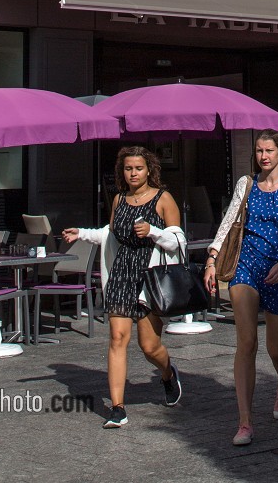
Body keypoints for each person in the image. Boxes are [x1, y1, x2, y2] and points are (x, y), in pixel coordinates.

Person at [63, 145, 187, 428]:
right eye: (128, 168)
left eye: (138, 168)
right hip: (121, 274)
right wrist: (81, 233)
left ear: (149, 170)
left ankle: (167, 373)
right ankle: (117, 408)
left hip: (150, 278)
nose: (133, 173)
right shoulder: (119, 199)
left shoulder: (163, 199)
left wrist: (153, 232)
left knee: (149, 347)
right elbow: (110, 236)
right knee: (117, 338)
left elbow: (179, 242)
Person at [203, 129, 278, 446]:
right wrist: (212, 257)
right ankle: (245, 422)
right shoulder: (246, 184)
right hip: (246, 267)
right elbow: (228, 222)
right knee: (246, 342)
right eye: (259, 151)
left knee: (276, 348)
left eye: (269, 150)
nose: (263, 156)